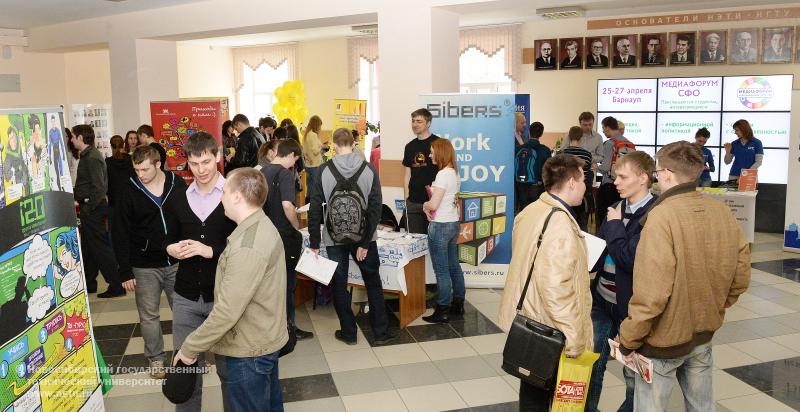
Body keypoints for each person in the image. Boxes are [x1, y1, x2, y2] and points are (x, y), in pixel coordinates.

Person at [618, 141, 751, 411]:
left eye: (657, 172)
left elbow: (652, 293)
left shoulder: (661, 216)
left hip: (662, 341)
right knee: (702, 405)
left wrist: (629, 338)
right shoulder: (721, 211)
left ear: (666, 173)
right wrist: (717, 305)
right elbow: (742, 272)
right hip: (704, 333)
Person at [174, 168, 288, 411]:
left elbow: (227, 311)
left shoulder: (248, 246)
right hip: (262, 339)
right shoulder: (259, 225)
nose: (220, 197)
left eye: (224, 191)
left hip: (249, 352)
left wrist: (189, 348)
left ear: (237, 196)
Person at [499, 154, 592, 411]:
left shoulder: (532, 210)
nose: (586, 185)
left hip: (530, 316)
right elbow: (555, 287)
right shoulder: (560, 223)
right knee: (550, 394)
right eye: (584, 179)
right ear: (572, 182)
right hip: (549, 325)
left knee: (532, 386)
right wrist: (574, 335)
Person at [163, 132, 236, 412]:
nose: (201, 170)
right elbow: (167, 237)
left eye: (206, 162)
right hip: (185, 298)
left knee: (229, 374)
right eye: (194, 164)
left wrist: (211, 251)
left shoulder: (234, 194)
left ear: (217, 156)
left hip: (224, 299)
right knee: (186, 375)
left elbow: (246, 247)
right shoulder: (180, 198)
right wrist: (169, 248)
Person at [308, 128, 396, 346]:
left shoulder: (323, 170)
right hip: (364, 236)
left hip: (333, 237)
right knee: (372, 282)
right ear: (353, 144)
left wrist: (315, 242)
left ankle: (349, 332)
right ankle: (381, 333)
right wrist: (365, 241)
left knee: (339, 284)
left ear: (335, 146)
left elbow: (315, 209)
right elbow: (376, 207)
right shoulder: (368, 169)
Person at [585, 151, 657, 412]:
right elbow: (603, 249)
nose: (615, 182)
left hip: (632, 310)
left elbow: (629, 258)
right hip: (602, 300)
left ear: (643, 178)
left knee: (633, 376)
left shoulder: (656, 214)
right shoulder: (616, 208)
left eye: (623, 177)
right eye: (616, 176)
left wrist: (614, 225)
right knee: (592, 364)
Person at [112, 145, 185, 379]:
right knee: (149, 316)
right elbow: (120, 232)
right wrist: (124, 271)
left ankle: (185, 356)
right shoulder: (128, 190)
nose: (140, 174)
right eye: (136, 169)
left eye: (144, 169)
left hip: (177, 260)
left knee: (184, 311)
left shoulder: (177, 183)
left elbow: (188, 217)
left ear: (157, 164)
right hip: (143, 265)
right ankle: (156, 360)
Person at [259, 138, 314, 340]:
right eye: (296, 160)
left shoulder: (261, 172)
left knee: (269, 285)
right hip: (283, 236)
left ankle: (271, 328)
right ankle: (288, 330)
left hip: (265, 235)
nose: (295, 164)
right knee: (288, 285)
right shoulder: (285, 174)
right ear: (291, 155)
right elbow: (287, 206)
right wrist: (296, 226)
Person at [71, 124, 125, 298]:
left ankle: (116, 285)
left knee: (100, 248)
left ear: (80, 138)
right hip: (91, 207)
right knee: (89, 248)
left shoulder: (92, 157)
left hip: (92, 209)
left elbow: (99, 187)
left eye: (73, 136)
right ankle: (90, 283)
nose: (71, 140)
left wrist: (89, 207)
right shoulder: (88, 155)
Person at [421, 138, 465, 323]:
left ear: (440, 152)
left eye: (432, 151)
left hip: (440, 226)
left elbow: (434, 203)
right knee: (453, 266)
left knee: (441, 270)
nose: (430, 155)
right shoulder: (454, 173)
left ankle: (442, 310)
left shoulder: (442, 175)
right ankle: (458, 303)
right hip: (453, 223)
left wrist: (425, 205)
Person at [403, 109, 440, 234]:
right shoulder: (409, 146)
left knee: (432, 244)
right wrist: (406, 198)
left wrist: (436, 200)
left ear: (428, 123)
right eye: (413, 121)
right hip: (413, 203)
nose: (415, 124)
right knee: (414, 244)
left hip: (433, 203)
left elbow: (444, 172)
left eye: (419, 121)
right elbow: (407, 174)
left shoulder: (438, 144)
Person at [596, 116, 635, 225]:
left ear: (607, 128)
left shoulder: (609, 143)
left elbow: (605, 167)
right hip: (625, 187)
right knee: (620, 217)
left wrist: (595, 167)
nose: (603, 131)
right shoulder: (629, 143)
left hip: (609, 186)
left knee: (605, 217)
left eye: (603, 128)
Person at [560, 126, 592, 230]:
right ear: (581, 138)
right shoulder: (587, 155)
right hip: (580, 195)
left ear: (569, 137)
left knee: (564, 225)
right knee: (582, 227)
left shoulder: (561, 154)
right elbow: (586, 174)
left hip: (564, 196)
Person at [515, 122, 551, 212]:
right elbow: (548, 170)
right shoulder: (545, 150)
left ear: (529, 132)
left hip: (521, 186)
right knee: (536, 213)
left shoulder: (518, 149)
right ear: (541, 134)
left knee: (524, 212)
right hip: (537, 187)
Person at [105, 135, 134, 243]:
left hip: (113, 201)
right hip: (129, 200)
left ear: (111, 146)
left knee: (113, 230)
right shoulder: (131, 160)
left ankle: (113, 256)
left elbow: (105, 183)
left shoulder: (107, 162)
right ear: (124, 145)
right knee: (130, 229)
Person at [3, 125, 29, 200]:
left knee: (27, 192)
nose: (12, 140)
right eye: (10, 138)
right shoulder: (9, 155)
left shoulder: (20, 147)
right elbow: (7, 176)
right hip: (17, 178)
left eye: (14, 137)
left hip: (25, 175)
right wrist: (13, 170)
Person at [303, 115, 323, 200]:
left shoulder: (306, 134)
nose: (320, 128)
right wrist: (321, 146)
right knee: (316, 188)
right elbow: (315, 151)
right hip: (315, 165)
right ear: (316, 125)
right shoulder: (313, 135)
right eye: (319, 126)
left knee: (310, 187)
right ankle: (314, 205)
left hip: (308, 165)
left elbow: (305, 151)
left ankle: (308, 204)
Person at [48, 114, 67, 191]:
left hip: (59, 152)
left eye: (54, 121)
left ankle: (63, 187)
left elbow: (62, 142)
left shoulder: (58, 130)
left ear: (55, 122)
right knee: (56, 172)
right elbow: (49, 145)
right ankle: (59, 188)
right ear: (51, 122)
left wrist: (63, 154)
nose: (53, 123)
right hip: (54, 153)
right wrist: (49, 157)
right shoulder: (50, 132)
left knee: (61, 171)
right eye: (52, 122)